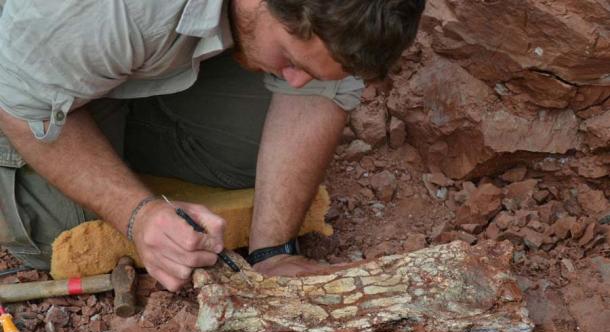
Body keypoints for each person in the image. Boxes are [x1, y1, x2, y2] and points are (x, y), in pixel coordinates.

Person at [0, 0, 426, 291]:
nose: (294, 81)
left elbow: (324, 76)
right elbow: (18, 103)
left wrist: (272, 254)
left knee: (258, 158)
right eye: (292, 61)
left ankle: (100, 97)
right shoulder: (121, 10)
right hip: (16, 72)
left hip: (99, 54)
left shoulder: (331, 16)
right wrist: (138, 215)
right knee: (66, 227)